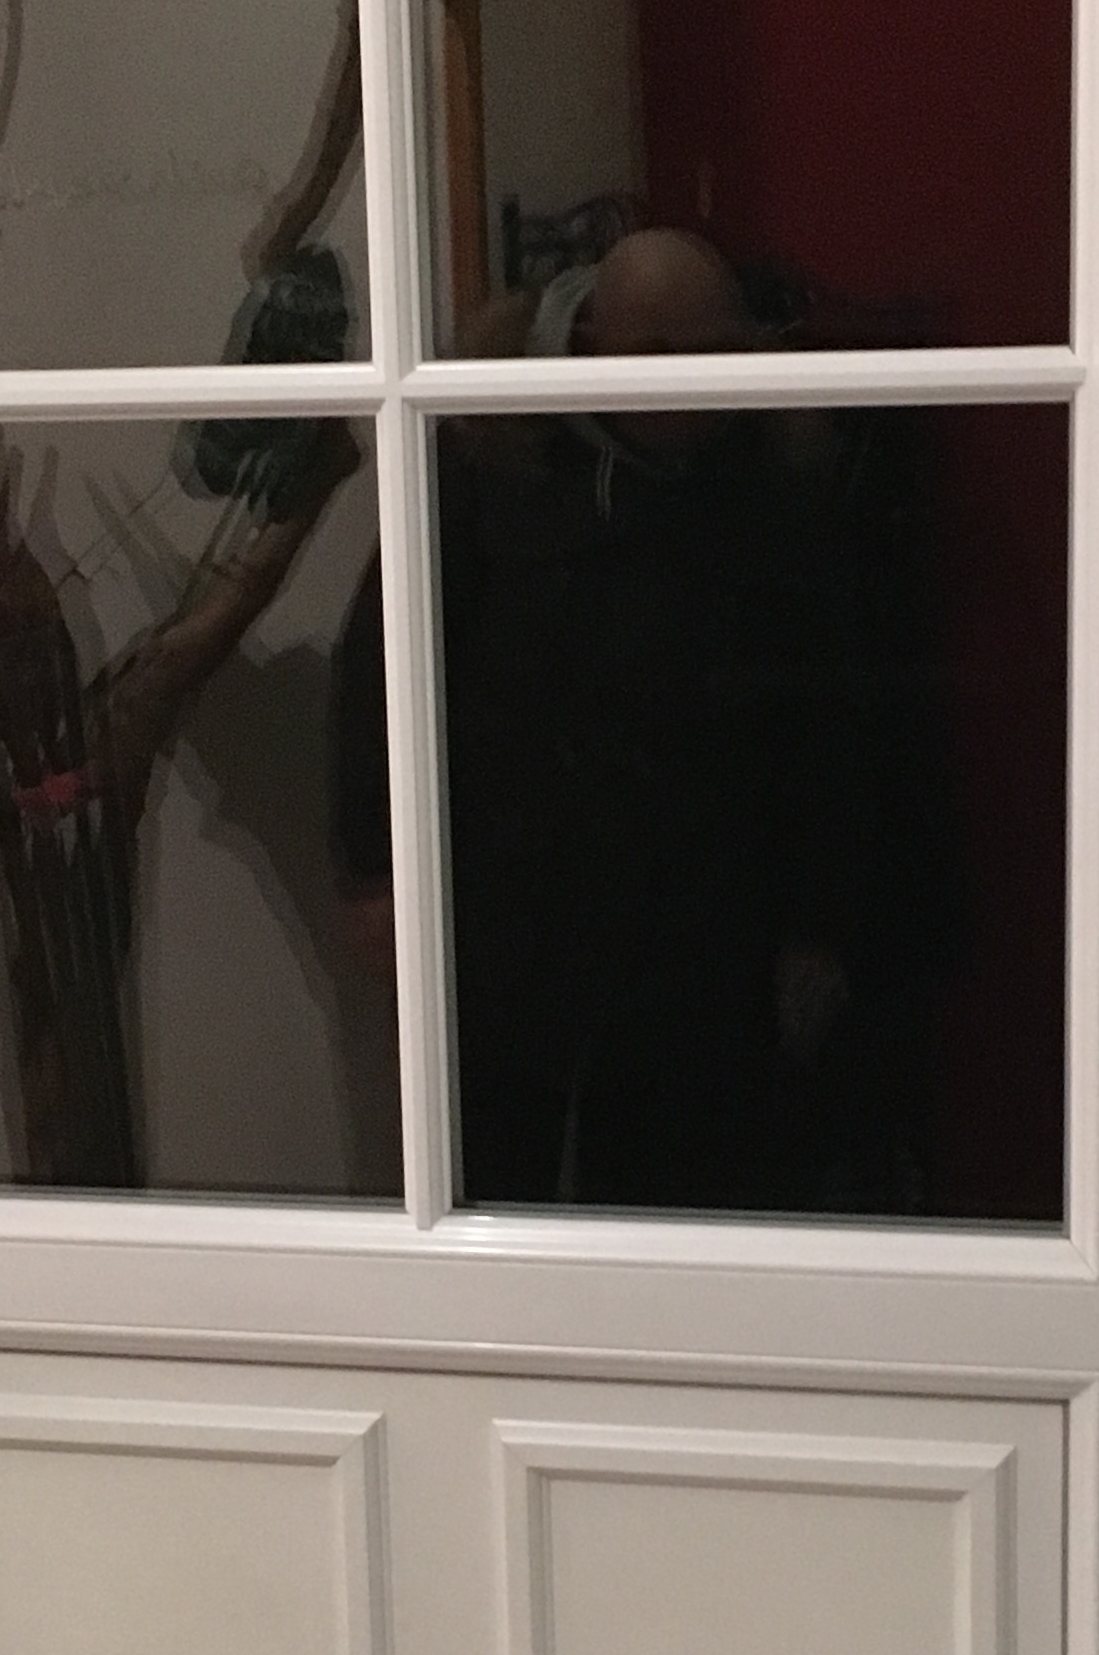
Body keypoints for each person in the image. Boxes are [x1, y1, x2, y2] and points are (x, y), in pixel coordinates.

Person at [336, 228, 948, 1211]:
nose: (699, 392)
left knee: (673, 1199)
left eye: (721, 358)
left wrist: (821, 925)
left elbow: (833, 723)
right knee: (491, 1182)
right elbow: (382, 662)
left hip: (703, 926)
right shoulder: (488, 454)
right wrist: (375, 868)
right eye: (671, 362)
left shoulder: (774, 477)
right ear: (601, 346)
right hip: (508, 908)